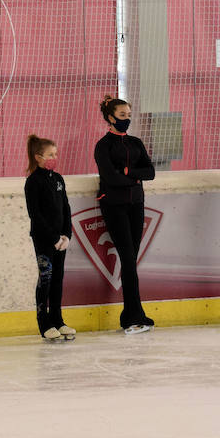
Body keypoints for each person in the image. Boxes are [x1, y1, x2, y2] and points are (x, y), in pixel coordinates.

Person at [93, 96, 157, 334]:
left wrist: (130, 172)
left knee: (132, 260)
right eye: (122, 115)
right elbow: (111, 178)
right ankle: (133, 315)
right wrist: (134, 177)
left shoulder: (136, 143)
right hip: (114, 205)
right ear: (110, 118)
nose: (127, 119)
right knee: (128, 259)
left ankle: (132, 313)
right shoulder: (103, 145)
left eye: (129, 115)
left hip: (136, 204)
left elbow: (150, 172)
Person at [24, 134, 77, 341]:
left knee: (58, 280)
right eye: (50, 154)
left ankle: (57, 319)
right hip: (44, 239)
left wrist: (66, 235)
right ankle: (44, 323)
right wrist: (53, 237)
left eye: (56, 154)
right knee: (45, 279)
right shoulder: (33, 182)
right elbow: (35, 215)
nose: (54, 157)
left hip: (60, 240)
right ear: (38, 157)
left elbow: (66, 208)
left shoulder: (58, 179)